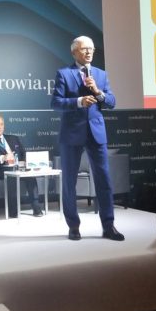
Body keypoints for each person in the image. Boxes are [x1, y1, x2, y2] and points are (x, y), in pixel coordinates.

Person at [51, 35, 124, 241]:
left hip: (96, 132)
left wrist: (98, 92)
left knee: (104, 180)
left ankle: (108, 226)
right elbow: (55, 103)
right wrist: (78, 101)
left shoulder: (100, 74)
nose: (89, 52)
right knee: (69, 182)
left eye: (91, 49)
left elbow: (111, 102)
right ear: (74, 52)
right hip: (71, 133)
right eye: (84, 49)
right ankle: (73, 226)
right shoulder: (64, 74)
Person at [0, 114, 43, 217]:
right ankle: (13, 211)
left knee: (30, 176)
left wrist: (25, 162)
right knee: (11, 176)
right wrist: (2, 157)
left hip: (19, 167)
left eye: (1, 124)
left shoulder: (13, 138)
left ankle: (36, 208)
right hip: (2, 169)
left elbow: (23, 153)